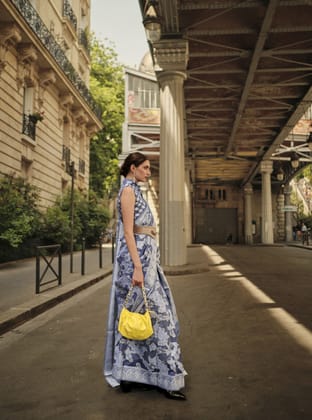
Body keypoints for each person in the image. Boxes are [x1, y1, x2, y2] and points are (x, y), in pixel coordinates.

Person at [104, 152, 187, 401]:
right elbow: (128, 233)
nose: (149, 172)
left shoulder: (134, 190)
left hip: (147, 263)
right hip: (136, 264)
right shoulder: (128, 192)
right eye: (146, 168)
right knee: (151, 317)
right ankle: (164, 378)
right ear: (133, 167)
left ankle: (135, 375)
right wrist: (138, 268)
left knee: (143, 317)